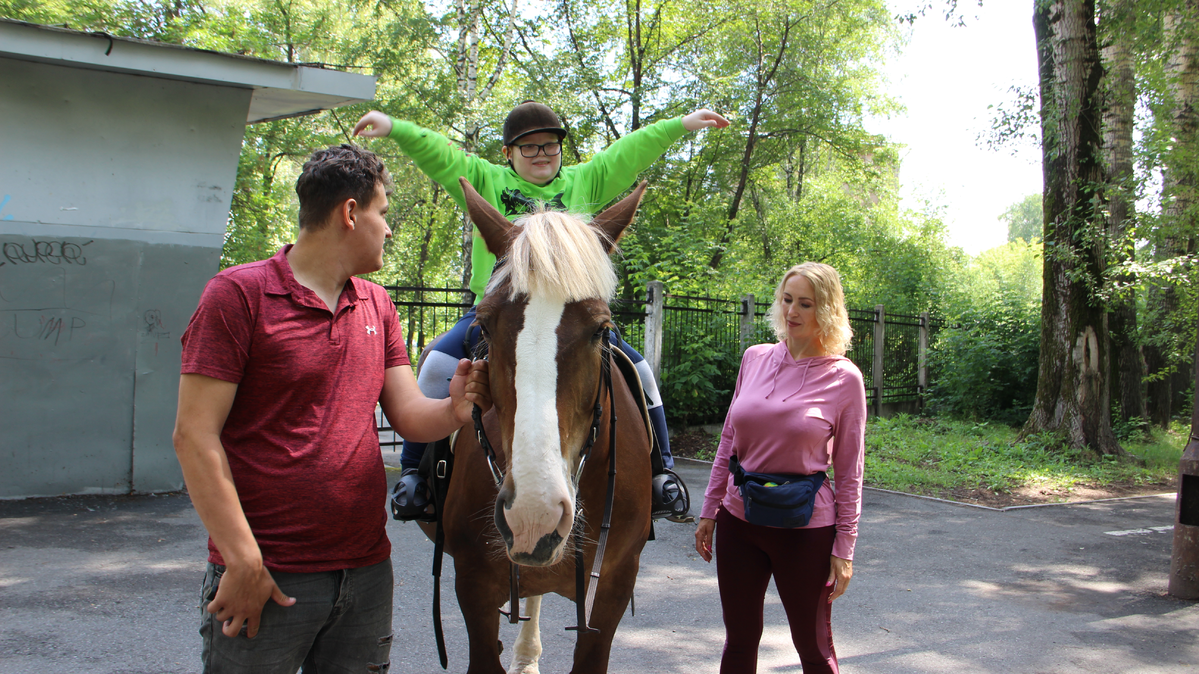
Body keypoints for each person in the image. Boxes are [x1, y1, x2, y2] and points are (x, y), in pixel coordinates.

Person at [172, 144, 491, 673]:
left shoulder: (377, 303)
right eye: (382, 213)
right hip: (267, 573)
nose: (388, 229)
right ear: (349, 212)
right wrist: (242, 559)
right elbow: (194, 436)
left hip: (366, 574)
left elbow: (410, 415)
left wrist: (455, 411)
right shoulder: (237, 296)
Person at [353, 100, 729, 521]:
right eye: (528, 148)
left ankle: (662, 472)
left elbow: (629, 152)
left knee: (639, 372)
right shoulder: (487, 179)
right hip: (501, 313)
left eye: (550, 146)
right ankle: (414, 475)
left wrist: (679, 125)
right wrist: (395, 128)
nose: (541, 155)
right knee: (438, 363)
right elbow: (440, 154)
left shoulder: (585, 180)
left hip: (570, 317)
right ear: (508, 153)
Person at [693, 262, 866, 674]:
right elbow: (728, 441)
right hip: (740, 520)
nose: (792, 312)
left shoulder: (844, 379)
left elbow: (850, 471)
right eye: (787, 300)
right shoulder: (754, 358)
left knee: (813, 647)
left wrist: (845, 548)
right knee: (738, 642)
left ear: (826, 310)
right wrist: (709, 508)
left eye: (805, 304)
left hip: (805, 530)